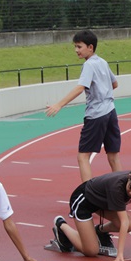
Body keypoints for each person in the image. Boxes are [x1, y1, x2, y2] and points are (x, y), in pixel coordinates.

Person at [45, 30, 121, 182]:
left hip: (96, 114)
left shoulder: (89, 65)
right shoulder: (103, 62)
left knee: (83, 156)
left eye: (79, 47)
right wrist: (102, 91)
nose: (76, 50)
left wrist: (59, 104)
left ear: (90, 47)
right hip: (111, 111)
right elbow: (115, 84)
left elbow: (80, 87)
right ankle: (121, 190)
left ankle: (88, 193)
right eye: (75, 47)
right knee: (113, 155)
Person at [51, 163, 131, 261]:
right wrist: (119, 255)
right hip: (84, 202)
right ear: (129, 177)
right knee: (91, 251)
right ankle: (61, 225)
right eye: (130, 188)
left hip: (101, 203)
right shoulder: (117, 186)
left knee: (130, 225)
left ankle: (98, 231)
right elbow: (123, 221)